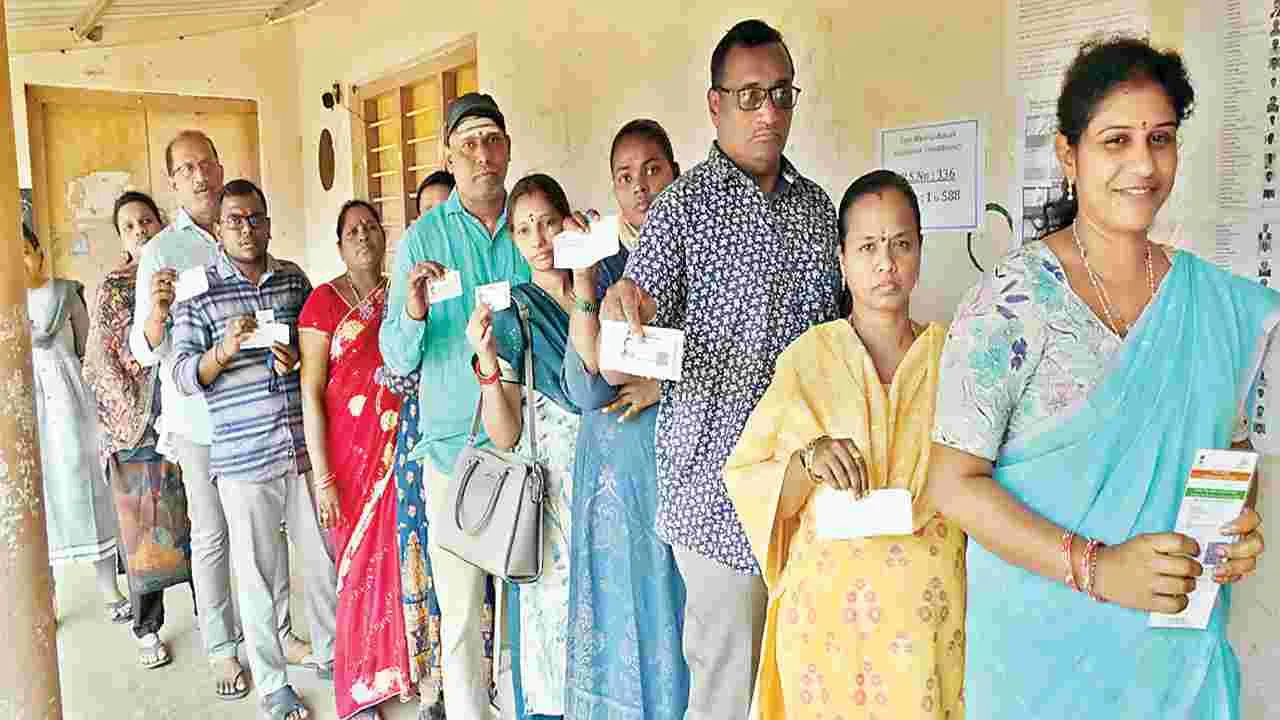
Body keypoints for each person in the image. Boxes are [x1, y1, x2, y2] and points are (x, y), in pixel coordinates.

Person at [927, 37, 1269, 719]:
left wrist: (1234, 527)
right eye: (1117, 141)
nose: (1143, 164)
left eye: (1160, 139)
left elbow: (1229, 451)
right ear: (1068, 155)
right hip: (1043, 667)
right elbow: (952, 483)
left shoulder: (1212, 303)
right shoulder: (1012, 301)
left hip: (1172, 668)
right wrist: (1097, 567)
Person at [600, 20, 841, 718]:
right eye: (749, 96)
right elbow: (631, 331)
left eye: (781, 94)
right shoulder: (681, 209)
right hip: (716, 498)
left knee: (802, 679)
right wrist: (623, 308)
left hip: (805, 486)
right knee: (728, 691)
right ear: (715, 104)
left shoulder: (817, 210)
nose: (768, 113)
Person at [724, 170, 965, 720]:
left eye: (901, 245)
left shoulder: (953, 358)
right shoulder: (808, 360)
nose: (886, 264)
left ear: (920, 251)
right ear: (842, 257)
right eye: (868, 247)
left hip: (928, 620)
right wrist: (809, 462)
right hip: (828, 627)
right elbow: (754, 485)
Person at [131, 130, 312, 699]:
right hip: (199, 420)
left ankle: (280, 632)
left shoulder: (249, 230)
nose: (199, 175)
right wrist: (158, 317)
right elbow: (147, 349)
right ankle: (222, 646)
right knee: (212, 535)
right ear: (173, 182)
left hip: (263, 417)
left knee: (267, 538)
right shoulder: (163, 251)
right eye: (186, 168)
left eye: (206, 162)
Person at [381, 92, 531, 720]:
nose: (482, 154)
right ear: (449, 156)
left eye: (492, 139)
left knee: (531, 609)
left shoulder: (530, 223)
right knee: (464, 614)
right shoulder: (425, 238)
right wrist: (415, 311)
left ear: (507, 147)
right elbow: (395, 355)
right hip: (455, 453)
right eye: (468, 144)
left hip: (532, 447)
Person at [172, 179, 337, 720]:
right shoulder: (198, 292)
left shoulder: (293, 280)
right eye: (235, 220)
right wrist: (222, 350)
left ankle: (334, 658)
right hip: (243, 457)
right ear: (219, 229)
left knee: (322, 561)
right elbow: (183, 375)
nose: (247, 229)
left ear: (268, 223)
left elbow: (318, 350)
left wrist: (297, 360)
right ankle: (272, 684)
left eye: (256, 218)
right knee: (258, 576)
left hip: (302, 450)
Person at [464, 173, 625, 719]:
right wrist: (488, 363)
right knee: (556, 625)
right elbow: (505, 433)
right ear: (512, 239)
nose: (538, 239)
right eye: (524, 229)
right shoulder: (512, 313)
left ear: (568, 221)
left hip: (614, 478)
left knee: (614, 613)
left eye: (548, 223)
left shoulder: (605, 284)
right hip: (553, 495)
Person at [563, 119, 690, 719]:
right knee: (619, 610)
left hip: (684, 459)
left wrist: (664, 385)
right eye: (624, 176)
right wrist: (584, 278)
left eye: (653, 170)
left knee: (680, 610)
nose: (640, 186)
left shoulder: (705, 253)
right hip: (614, 470)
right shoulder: (605, 260)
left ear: (676, 174)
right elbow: (587, 386)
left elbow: (738, 357)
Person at [299, 200, 409, 720]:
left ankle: (393, 671)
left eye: (370, 227)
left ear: (383, 236)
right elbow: (311, 389)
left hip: (398, 447)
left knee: (395, 559)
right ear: (339, 245)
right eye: (351, 231)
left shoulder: (400, 293)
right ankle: (358, 691)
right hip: (347, 457)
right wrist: (323, 478)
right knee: (354, 567)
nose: (363, 235)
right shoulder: (322, 302)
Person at [83, 191, 194, 669]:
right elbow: (102, 360)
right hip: (139, 424)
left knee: (199, 524)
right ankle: (147, 627)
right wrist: (133, 413)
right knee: (146, 530)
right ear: (121, 238)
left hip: (188, 407)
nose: (140, 230)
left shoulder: (181, 269)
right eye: (129, 226)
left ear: (161, 222)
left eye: (147, 220)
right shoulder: (114, 288)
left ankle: (217, 625)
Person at [23, 224, 129, 623]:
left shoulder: (66, 294)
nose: (21, 262)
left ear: (39, 253)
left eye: (26, 251)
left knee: (89, 493)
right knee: (40, 500)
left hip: (73, 408)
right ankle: (45, 593)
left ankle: (108, 588)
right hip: (30, 413)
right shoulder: (6, 303)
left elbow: (89, 353)